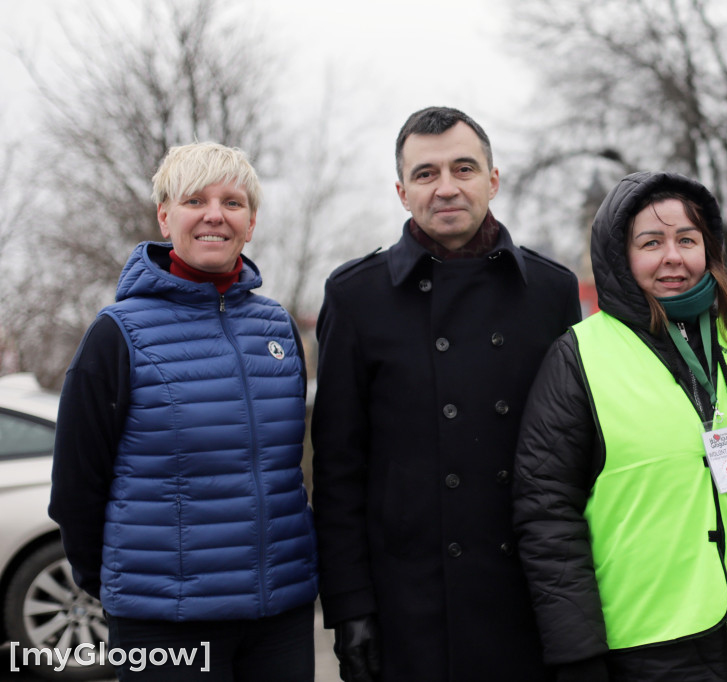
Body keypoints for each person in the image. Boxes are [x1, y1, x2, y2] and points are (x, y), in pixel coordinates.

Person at [312, 106, 581, 681]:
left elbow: (575, 455)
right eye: (426, 174)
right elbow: (338, 470)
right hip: (408, 604)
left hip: (527, 599)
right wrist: (350, 608)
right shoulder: (355, 296)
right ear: (403, 192)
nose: (447, 187)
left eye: (464, 168)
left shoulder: (551, 291)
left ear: (493, 179)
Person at [513, 171, 727, 681]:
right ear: (619, 257)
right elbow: (546, 514)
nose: (673, 257)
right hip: (649, 646)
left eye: (687, 240)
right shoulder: (579, 356)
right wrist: (577, 653)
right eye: (651, 242)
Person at [49, 142, 319, 681]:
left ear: (252, 221)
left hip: (278, 616)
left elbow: (295, 467)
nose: (215, 214)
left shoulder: (280, 330)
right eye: (195, 199)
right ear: (165, 215)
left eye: (232, 202)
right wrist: (118, 588)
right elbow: (77, 484)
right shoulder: (117, 334)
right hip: (164, 622)